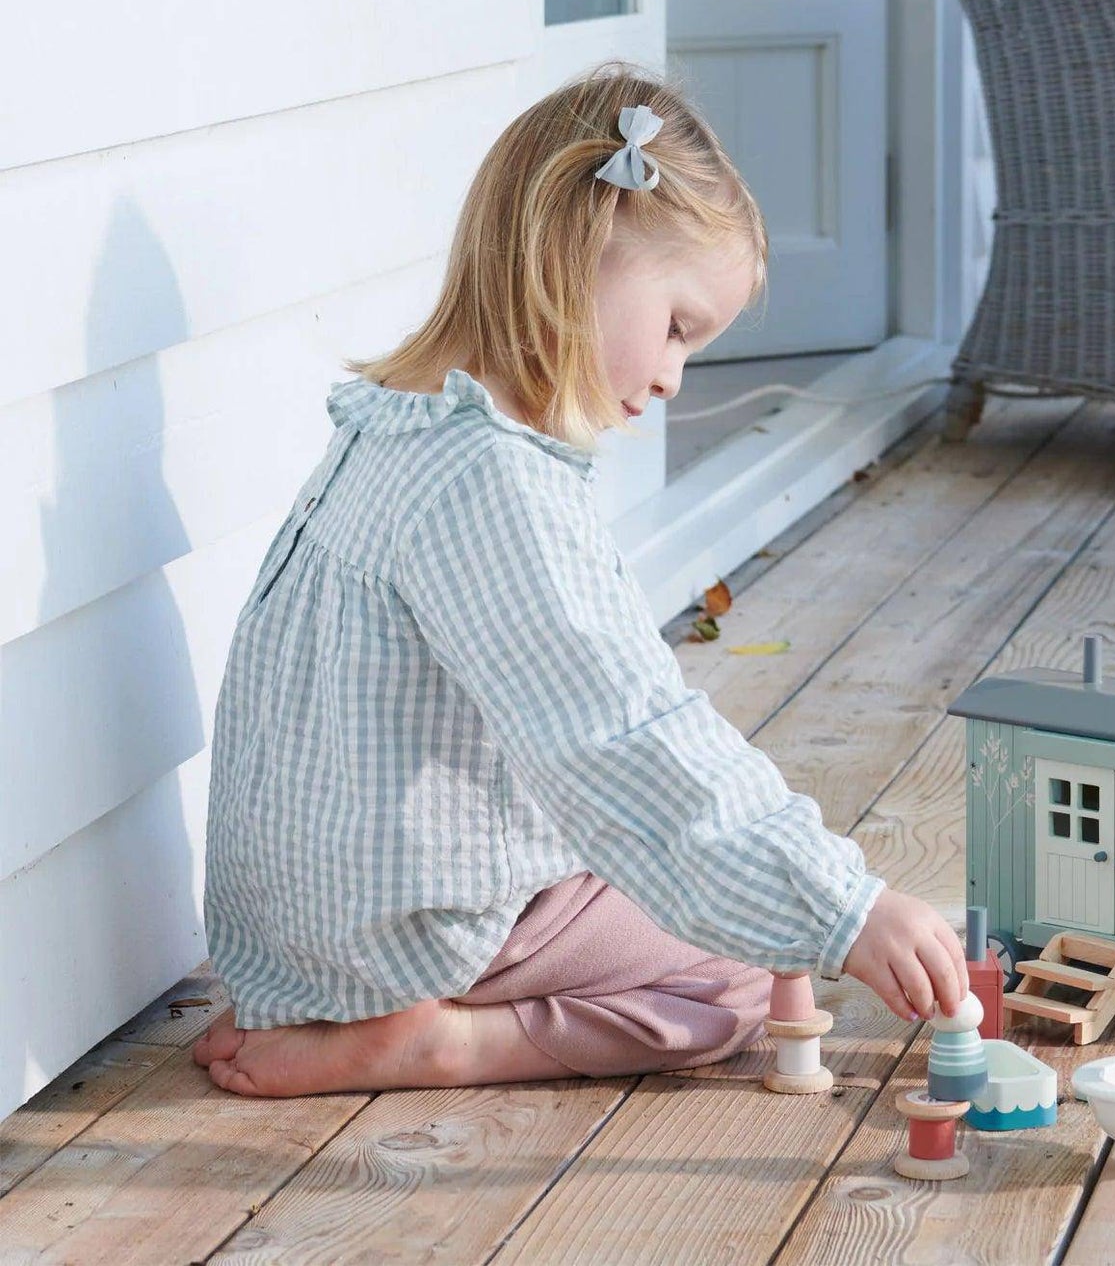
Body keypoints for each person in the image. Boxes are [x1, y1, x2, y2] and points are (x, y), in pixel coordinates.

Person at [194, 62, 967, 1097]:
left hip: (294, 932)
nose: (672, 378)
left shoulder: (392, 427)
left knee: (690, 876)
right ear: (576, 253)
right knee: (745, 970)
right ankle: (439, 1039)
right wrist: (842, 905)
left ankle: (356, 1012)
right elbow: (620, 737)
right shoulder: (497, 486)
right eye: (679, 327)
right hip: (403, 939)